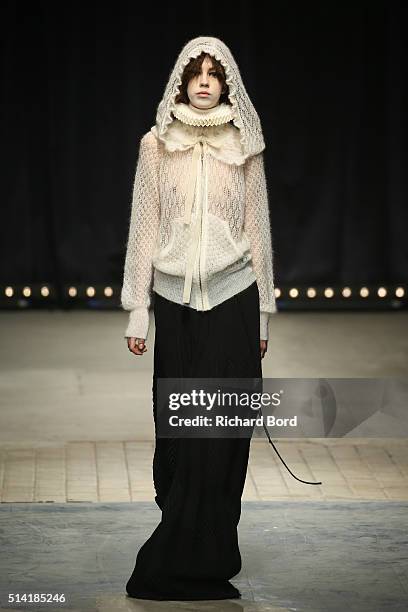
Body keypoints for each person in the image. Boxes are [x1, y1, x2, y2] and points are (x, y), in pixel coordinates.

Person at [120, 35, 277, 601]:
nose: (205, 81)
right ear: (182, 82)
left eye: (215, 73)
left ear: (228, 81)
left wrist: (263, 316)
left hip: (235, 295)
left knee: (225, 431)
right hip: (176, 303)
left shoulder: (245, 144)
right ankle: (178, 546)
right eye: (196, 73)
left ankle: (209, 559)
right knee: (181, 432)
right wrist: (138, 310)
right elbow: (143, 226)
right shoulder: (156, 145)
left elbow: (258, 230)